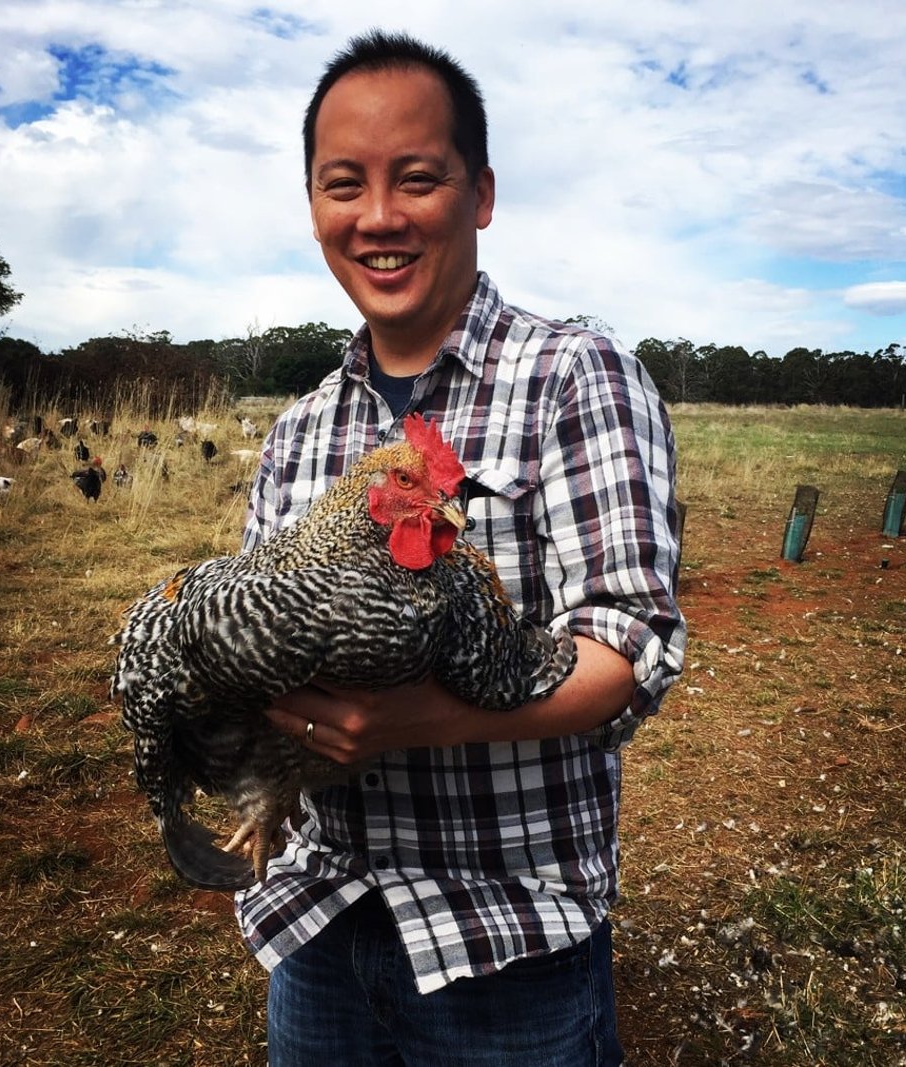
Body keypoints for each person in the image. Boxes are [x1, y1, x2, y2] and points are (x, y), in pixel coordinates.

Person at [238, 29, 686, 1067]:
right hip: (318, 923)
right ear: (313, 207)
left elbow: (630, 642)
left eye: (418, 178)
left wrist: (402, 722)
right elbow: (258, 637)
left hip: (508, 941)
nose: (379, 216)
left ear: (479, 194)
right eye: (343, 183)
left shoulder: (576, 373)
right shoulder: (296, 430)